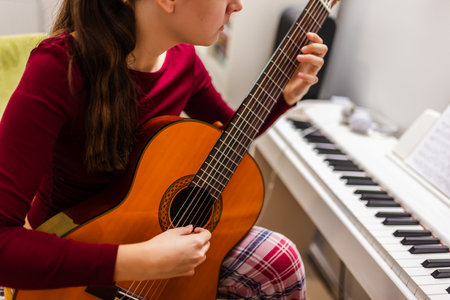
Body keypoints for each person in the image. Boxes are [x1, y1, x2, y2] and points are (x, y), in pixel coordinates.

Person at [0, 0, 327, 299]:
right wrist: (138, 260)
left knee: (280, 261)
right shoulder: (60, 68)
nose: (237, 6)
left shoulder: (184, 61)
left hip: (155, 237)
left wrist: (285, 95)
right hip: (79, 260)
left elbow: (230, 137)